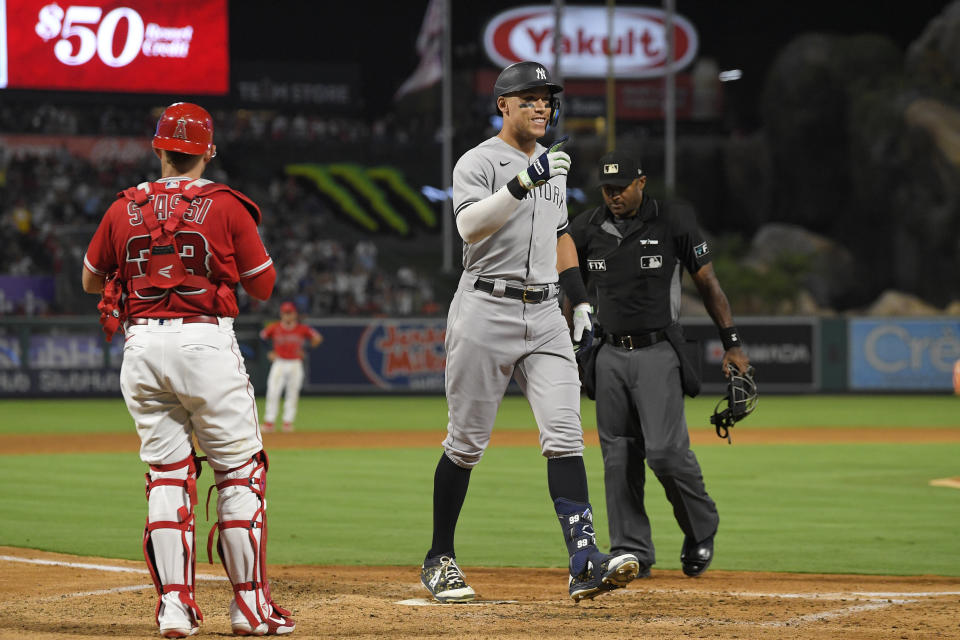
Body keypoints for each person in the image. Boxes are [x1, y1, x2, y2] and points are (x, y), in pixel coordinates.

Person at [419, 61, 640, 604]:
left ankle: (584, 559)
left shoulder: (552, 165)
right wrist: (525, 180)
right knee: (466, 443)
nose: (542, 106)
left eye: (547, 98)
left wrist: (581, 302)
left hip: (545, 314)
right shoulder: (479, 162)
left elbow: (561, 234)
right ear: (504, 106)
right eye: (530, 98)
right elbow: (469, 225)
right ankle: (439, 556)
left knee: (565, 436)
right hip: (484, 309)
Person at [81, 102, 295, 637]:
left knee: (166, 476)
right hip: (205, 345)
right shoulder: (227, 206)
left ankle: (174, 608)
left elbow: (89, 281)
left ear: (158, 149)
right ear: (209, 151)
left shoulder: (121, 208)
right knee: (239, 474)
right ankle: (249, 609)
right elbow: (263, 287)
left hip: (142, 349)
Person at [568, 150, 751, 579]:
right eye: (607, 189)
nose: (613, 195)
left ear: (641, 183)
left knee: (666, 452)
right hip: (608, 354)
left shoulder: (674, 220)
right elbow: (566, 283)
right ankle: (632, 550)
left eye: (621, 187)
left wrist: (733, 344)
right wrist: (568, 342)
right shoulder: (586, 228)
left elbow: (708, 283)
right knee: (618, 456)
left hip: (657, 351)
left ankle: (701, 527)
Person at [260, 301, 323, 432]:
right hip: (279, 363)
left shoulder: (302, 328)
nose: (288, 316)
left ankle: (287, 422)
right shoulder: (275, 327)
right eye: (285, 313)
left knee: (292, 393)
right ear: (281, 314)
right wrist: (269, 351)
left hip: (295, 363)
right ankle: (269, 422)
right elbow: (262, 337)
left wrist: (306, 350)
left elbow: (317, 338)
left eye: (290, 313)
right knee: (273, 392)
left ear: (295, 314)